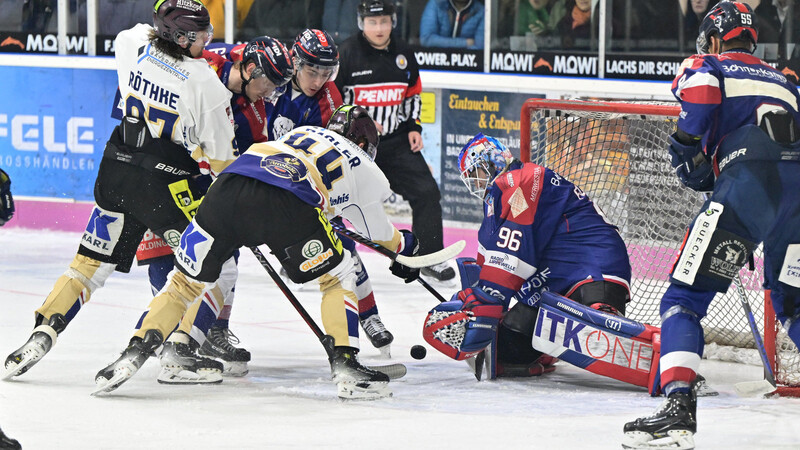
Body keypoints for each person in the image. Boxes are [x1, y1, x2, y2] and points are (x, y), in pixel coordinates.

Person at [94, 106, 420, 399]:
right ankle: (348, 368)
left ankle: (134, 351)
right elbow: (382, 236)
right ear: (364, 144)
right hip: (286, 203)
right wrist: (408, 250)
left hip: (227, 189)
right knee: (340, 275)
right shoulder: (365, 165)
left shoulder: (301, 133)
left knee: (182, 283)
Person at [2, 0, 238, 381]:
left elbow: (144, 31)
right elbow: (224, 160)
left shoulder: (133, 42)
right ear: (179, 37)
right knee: (216, 266)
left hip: (115, 171)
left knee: (89, 264)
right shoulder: (206, 83)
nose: (207, 40)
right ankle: (169, 347)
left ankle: (43, 331)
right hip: (163, 185)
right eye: (199, 35)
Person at [623, 3, 800, 448]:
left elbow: (700, 96)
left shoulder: (709, 64)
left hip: (750, 185)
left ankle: (679, 409)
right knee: (794, 305)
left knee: (683, 296)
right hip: (798, 197)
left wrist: (686, 148)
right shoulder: (786, 80)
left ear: (717, 39)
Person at [135, 35, 295, 377]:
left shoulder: (254, 115)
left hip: (205, 185)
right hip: (162, 166)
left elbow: (251, 162)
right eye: (267, 82)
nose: (269, 93)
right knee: (161, 250)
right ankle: (163, 330)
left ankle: (209, 332)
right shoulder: (205, 62)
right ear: (249, 69)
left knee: (224, 254)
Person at [423, 133, 633, 379]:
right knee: (504, 351)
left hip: (590, 266)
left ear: (492, 162)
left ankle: (606, 316)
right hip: (552, 286)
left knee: (596, 329)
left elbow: (510, 253)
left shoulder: (522, 180)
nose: (474, 181)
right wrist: (471, 299)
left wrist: (486, 297)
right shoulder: (497, 197)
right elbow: (489, 258)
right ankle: (546, 349)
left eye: (476, 172)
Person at [271, 28, 396, 352]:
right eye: (312, 71)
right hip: (266, 178)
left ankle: (369, 315)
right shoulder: (273, 79)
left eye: (326, 73)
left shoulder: (330, 99)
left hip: (311, 189)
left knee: (345, 250)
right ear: (295, 63)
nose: (318, 80)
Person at [336, 0, 455, 282]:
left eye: (384, 21)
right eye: (372, 22)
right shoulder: (347, 54)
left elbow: (413, 94)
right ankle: (320, 255)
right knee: (333, 197)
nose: (379, 28)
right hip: (356, 146)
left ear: (394, 22)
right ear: (361, 23)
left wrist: (414, 126)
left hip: (396, 141)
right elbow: (333, 102)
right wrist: (360, 120)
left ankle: (430, 256)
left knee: (427, 193)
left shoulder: (403, 53)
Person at [419, 0, 485, 49]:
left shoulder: (481, 11)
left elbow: (479, 48)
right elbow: (426, 39)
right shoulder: (436, 4)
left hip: (467, 64)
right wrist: (465, 43)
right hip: (435, 61)